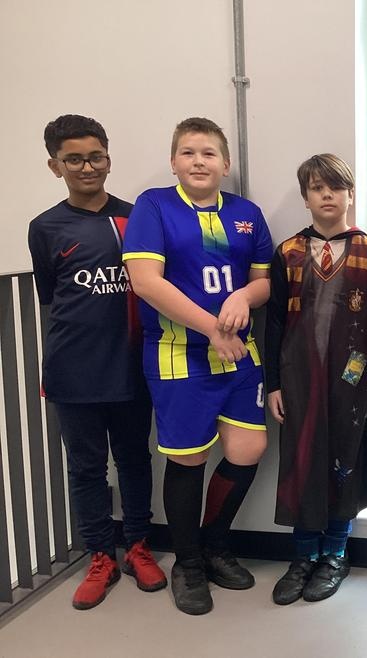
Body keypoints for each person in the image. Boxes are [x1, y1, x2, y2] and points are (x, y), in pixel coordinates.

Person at [123, 117, 273, 615]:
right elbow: (145, 281)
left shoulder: (247, 214)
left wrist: (243, 297)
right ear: (173, 162)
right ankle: (186, 563)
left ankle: (214, 546)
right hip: (178, 356)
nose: (198, 161)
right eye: (188, 152)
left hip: (239, 356)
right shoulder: (153, 206)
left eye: (208, 153)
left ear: (225, 164)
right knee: (187, 458)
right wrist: (212, 328)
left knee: (248, 449)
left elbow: (263, 281)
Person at [27, 114, 166, 610]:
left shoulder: (139, 217)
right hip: (73, 370)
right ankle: (100, 556)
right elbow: (51, 296)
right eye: (74, 160)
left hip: (131, 366)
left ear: (108, 158)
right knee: (86, 468)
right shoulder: (45, 227)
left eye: (96, 157)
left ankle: (138, 546)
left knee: (134, 459)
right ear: (55, 166)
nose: (87, 167)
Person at [264, 154, 367, 605]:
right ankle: (303, 555)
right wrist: (273, 383)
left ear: (350, 194)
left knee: (344, 457)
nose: (327, 195)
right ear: (306, 197)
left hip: (352, 378)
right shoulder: (288, 252)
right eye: (317, 188)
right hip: (298, 376)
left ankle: (335, 553)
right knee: (301, 459)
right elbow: (274, 322)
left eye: (335, 187)